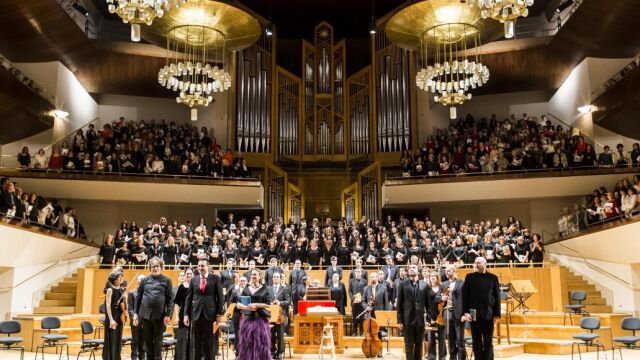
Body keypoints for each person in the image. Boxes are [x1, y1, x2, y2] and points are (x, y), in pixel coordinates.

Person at [133, 257, 174, 360]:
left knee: (158, 339)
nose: (155, 268)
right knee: (147, 340)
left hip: (159, 316)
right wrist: (135, 314)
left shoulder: (167, 280)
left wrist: (168, 315)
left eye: (157, 266)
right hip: (145, 315)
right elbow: (138, 297)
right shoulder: (144, 281)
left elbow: (170, 299)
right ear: (149, 268)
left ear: (161, 267)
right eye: (152, 266)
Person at [184, 259, 225, 360]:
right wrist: (186, 314)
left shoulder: (215, 278)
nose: (200, 268)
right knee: (196, 344)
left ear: (207, 266)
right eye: (199, 266)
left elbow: (221, 297)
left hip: (210, 315)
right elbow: (188, 298)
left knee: (209, 344)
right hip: (196, 315)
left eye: (203, 266)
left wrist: (219, 314)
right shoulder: (194, 280)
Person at [462, 257, 501, 360]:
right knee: (477, 342)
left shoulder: (493, 278)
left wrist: (497, 315)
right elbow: (465, 296)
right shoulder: (469, 277)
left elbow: (497, 297)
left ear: (485, 263)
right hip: (474, 316)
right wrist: (465, 312)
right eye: (475, 263)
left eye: (478, 263)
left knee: (488, 342)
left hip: (489, 315)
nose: (476, 264)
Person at [236, 269, 272, 360]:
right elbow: (238, 304)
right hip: (248, 320)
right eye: (252, 275)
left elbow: (268, 304)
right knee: (247, 344)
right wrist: (246, 307)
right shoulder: (246, 288)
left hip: (260, 320)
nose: (253, 276)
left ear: (260, 276)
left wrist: (256, 305)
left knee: (260, 344)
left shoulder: (264, 289)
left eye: (255, 275)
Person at [397, 264, 430, 360]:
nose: (411, 269)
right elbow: (399, 303)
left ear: (418, 270)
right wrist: (399, 320)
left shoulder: (424, 284)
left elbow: (428, 304)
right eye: (410, 268)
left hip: (420, 321)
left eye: (414, 268)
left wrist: (428, 319)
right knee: (408, 346)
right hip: (407, 320)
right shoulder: (403, 284)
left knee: (419, 346)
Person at [441, 265, 465, 360]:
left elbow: (465, 299)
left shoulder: (461, 283)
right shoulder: (444, 284)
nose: (446, 272)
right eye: (446, 271)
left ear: (454, 271)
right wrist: (441, 298)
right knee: (450, 339)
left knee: (460, 340)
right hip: (447, 313)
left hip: (459, 314)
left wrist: (464, 314)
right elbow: (437, 297)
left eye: (449, 271)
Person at [268, 272, 290, 360]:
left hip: (280, 316)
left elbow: (288, 301)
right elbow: (265, 300)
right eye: (274, 277)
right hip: (270, 315)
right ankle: (272, 351)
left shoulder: (284, 289)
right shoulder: (268, 288)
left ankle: (280, 352)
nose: (276, 278)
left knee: (280, 335)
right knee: (271, 334)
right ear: (272, 278)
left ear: (280, 278)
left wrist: (280, 302)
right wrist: (269, 303)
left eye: (277, 277)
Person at [172, 268, 193, 360]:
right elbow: (176, 303)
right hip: (183, 314)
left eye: (190, 273)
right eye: (187, 274)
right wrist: (176, 316)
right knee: (181, 338)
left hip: (195, 315)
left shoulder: (197, 286)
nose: (189, 275)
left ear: (193, 275)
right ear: (185, 275)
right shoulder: (181, 287)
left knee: (193, 338)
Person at [104, 271, 124, 360]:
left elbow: (123, 305)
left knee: (118, 337)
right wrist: (111, 320)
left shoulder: (122, 290)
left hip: (119, 315)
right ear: (114, 279)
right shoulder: (110, 289)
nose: (121, 279)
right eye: (119, 277)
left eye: (121, 277)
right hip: (112, 315)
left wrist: (125, 299)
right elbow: (108, 305)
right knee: (112, 337)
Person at [427, 271, 447, 360]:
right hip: (430, 316)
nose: (433, 277)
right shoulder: (427, 289)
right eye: (431, 276)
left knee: (442, 338)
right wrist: (428, 317)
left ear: (437, 278)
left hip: (441, 316)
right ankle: (432, 357)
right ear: (429, 278)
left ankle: (442, 357)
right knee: (431, 339)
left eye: (434, 276)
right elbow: (426, 303)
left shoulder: (441, 288)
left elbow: (445, 301)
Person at [127, 275, 146, 360]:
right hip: (135, 320)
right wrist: (135, 317)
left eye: (143, 279)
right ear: (137, 281)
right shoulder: (131, 293)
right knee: (135, 340)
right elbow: (130, 308)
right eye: (140, 279)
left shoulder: (147, 293)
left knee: (143, 341)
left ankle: (142, 357)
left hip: (145, 321)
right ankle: (134, 357)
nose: (141, 281)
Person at [348, 268, 368, 336]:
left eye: (359, 272)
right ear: (355, 273)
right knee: (355, 317)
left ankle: (362, 332)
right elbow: (349, 291)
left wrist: (361, 299)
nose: (358, 273)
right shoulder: (351, 281)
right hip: (354, 302)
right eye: (356, 272)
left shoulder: (365, 281)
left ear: (361, 273)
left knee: (362, 317)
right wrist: (353, 299)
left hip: (362, 302)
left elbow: (366, 291)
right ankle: (354, 332)